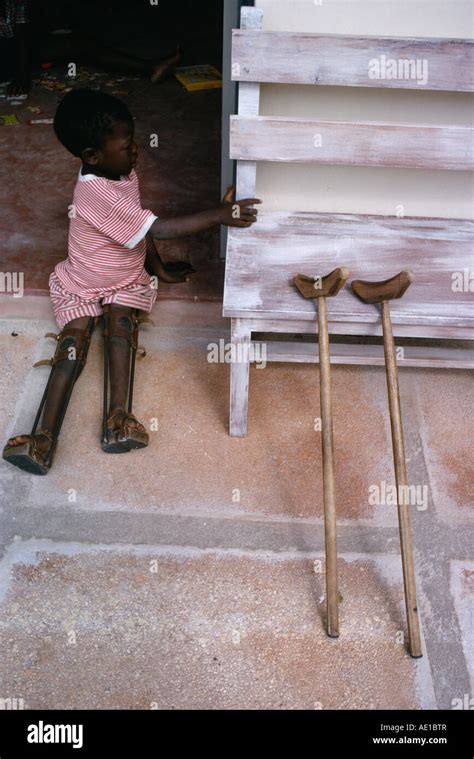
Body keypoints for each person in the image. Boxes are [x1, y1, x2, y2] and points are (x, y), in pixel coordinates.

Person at [2, 89, 260, 475]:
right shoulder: (95, 191)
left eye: (133, 140)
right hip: (83, 281)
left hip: (124, 280)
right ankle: (41, 437)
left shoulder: (117, 170)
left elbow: (138, 227)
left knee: (120, 331)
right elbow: (162, 227)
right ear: (92, 155)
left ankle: (118, 420)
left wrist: (156, 268)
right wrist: (219, 214)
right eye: (126, 145)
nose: (136, 150)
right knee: (72, 347)